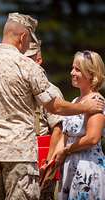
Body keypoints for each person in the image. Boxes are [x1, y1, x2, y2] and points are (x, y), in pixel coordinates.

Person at [0, 11, 104, 200]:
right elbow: (55, 107)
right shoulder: (28, 66)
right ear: (23, 37)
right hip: (20, 158)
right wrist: (86, 107)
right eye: (29, 42)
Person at [52, 50, 105, 200]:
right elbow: (65, 134)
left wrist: (67, 150)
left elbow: (93, 138)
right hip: (70, 167)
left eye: (77, 69)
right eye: (72, 68)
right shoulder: (76, 101)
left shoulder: (96, 100)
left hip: (87, 169)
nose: (72, 72)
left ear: (91, 74)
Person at [25, 41, 63, 200]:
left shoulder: (51, 90)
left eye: (27, 58)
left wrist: (48, 164)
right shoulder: (19, 89)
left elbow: (58, 129)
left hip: (41, 157)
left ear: (38, 60)